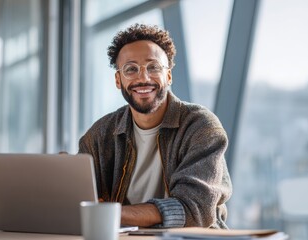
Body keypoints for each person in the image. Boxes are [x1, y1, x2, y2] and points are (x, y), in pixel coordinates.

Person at [78, 23, 232, 229]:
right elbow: (80, 202)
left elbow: (195, 210)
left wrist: (111, 214)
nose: (143, 78)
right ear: (118, 80)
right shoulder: (99, 134)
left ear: (168, 76)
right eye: (131, 69)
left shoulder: (201, 127)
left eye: (153, 67)